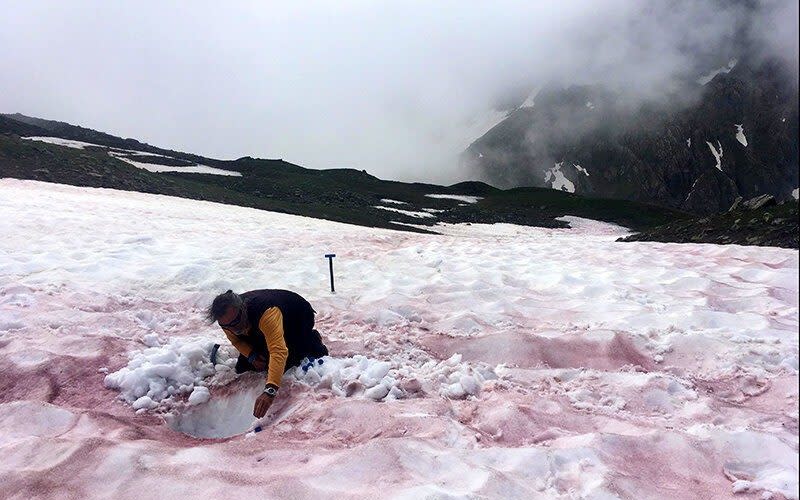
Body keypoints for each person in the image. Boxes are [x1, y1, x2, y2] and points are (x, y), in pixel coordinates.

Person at [206, 289, 328, 419]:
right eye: (227, 326)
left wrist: (270, 390)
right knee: (244, 367)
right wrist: (251, 355)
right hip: (256, 324)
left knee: (289, 362)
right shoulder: (227, 320)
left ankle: (312, 340)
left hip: (297, 317)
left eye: (236, 322)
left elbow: (278, 351)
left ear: (243, 308)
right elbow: (236, 340)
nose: (233, 329)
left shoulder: (266, 312)